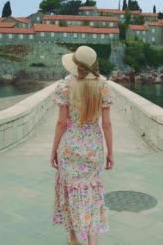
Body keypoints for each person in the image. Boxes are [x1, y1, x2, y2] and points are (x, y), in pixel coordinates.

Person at [51, 46, 114, 245]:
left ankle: (74, 241)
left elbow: (62, 123)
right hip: (93, 149)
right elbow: (106, 124)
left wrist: (53, 150)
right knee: (92, 197)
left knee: (71, 194)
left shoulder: (65, 85)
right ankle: (92, 242)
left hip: (69, 148)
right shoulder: (103, 85)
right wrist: (110, 152)